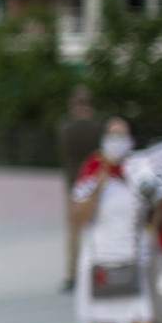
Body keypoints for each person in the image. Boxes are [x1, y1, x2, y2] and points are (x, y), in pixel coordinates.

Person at [71, 117, 162, 323]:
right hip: (100, 265)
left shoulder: (143, 171)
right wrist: (99, 183)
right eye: (111, 134)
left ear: (131, 140)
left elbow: (159, 220)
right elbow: (78, 218)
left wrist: (156, 197)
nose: (117, 140)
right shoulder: (90, 171)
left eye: (122, 135)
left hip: (135, 263)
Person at [58, 86, 104, 292]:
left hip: (74, 183)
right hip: (97, 183)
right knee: (99, 227)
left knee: (73, 231)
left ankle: (72, 274)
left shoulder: (65, 127)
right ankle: (98, 270)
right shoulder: (99, 126)